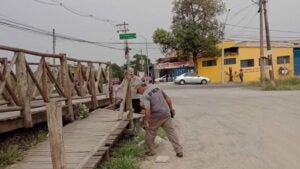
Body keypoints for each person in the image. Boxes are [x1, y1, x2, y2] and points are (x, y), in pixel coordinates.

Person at [136, 82, 183, 158]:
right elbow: (168, 99)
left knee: (150, 132)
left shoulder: (145, 95)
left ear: (141, 88)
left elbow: (148, 109)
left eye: (138, 91)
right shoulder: (157, 87)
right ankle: (179, 151)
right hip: (166, 113)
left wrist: (146, 121)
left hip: (156, 116)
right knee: (171, 132)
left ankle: (149, 151)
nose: (139, 93)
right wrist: (171, 109)